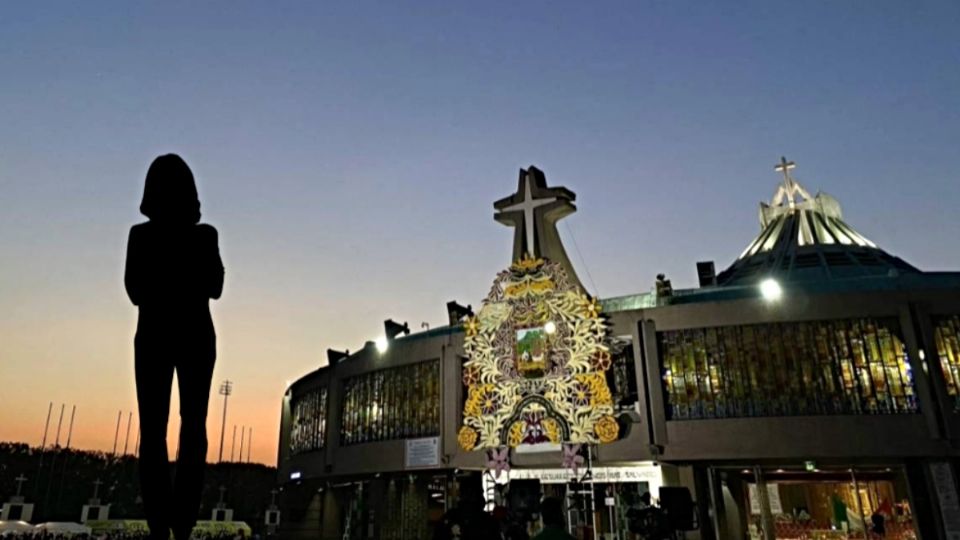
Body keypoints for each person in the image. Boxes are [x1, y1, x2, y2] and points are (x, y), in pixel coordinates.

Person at [125, 154, 224, 540]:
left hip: (156, 334)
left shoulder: (143, 236)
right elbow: (214, 285)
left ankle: (165, 524)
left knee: (160, 431)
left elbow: (136, 290)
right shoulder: (203, 237)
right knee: (186, 429)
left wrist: (164, 280)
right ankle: (177, 524)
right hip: (192, 333)